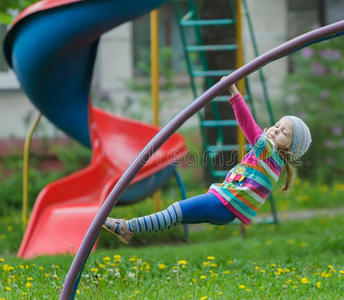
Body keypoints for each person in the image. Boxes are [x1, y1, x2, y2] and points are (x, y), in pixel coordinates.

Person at [102, 80, 312, 244]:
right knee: (175, 216)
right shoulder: (272, 160)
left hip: (223, 203)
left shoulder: (269, 153)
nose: (276, 129)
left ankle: (128, 227)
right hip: (224, 207)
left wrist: (235, 94)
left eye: (284, 132)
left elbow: (249, 126)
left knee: (174, 212)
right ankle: (129, 229)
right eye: (277, 125)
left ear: (291, 148)